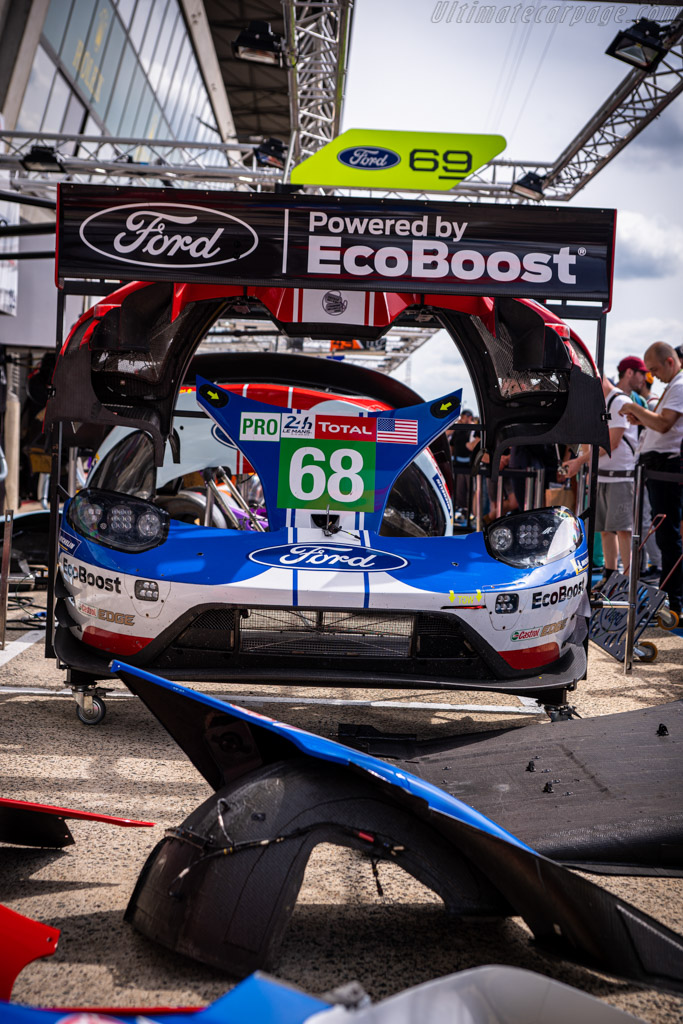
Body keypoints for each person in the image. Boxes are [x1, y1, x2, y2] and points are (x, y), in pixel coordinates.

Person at [620, 342, 683, 615]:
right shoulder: (674, 384)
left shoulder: (679, 385)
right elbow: (661, 422)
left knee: (668, 539)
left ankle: (673, 603)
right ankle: (671, 601)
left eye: (655, 369)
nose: (653, 376)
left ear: (670, 361)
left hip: (667, 469)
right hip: (661, 469)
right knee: (665, 537)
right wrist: (643, 418)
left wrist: (633, 408)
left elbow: (663, 423)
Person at [563, 376, 638, 578]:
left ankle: (628, 580)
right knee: (605, 529)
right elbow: (593, 441)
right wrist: (585, 464)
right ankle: (610, 575)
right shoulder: (601, 403)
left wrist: (580, 462)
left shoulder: (619, 401)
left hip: (621, 477)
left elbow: (611, 443)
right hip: (603, 476)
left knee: (622, 530)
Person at [450, 409, 475, 513]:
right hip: (458, 463)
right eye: (462, 417)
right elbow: (451, 445)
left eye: (465, 417)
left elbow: (472, 446)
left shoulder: (473, 429)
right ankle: (460, 509)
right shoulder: (457, 430)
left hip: (470, 464)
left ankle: (471, 510)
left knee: (471, 489)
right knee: (459, 489)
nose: (462, 419)